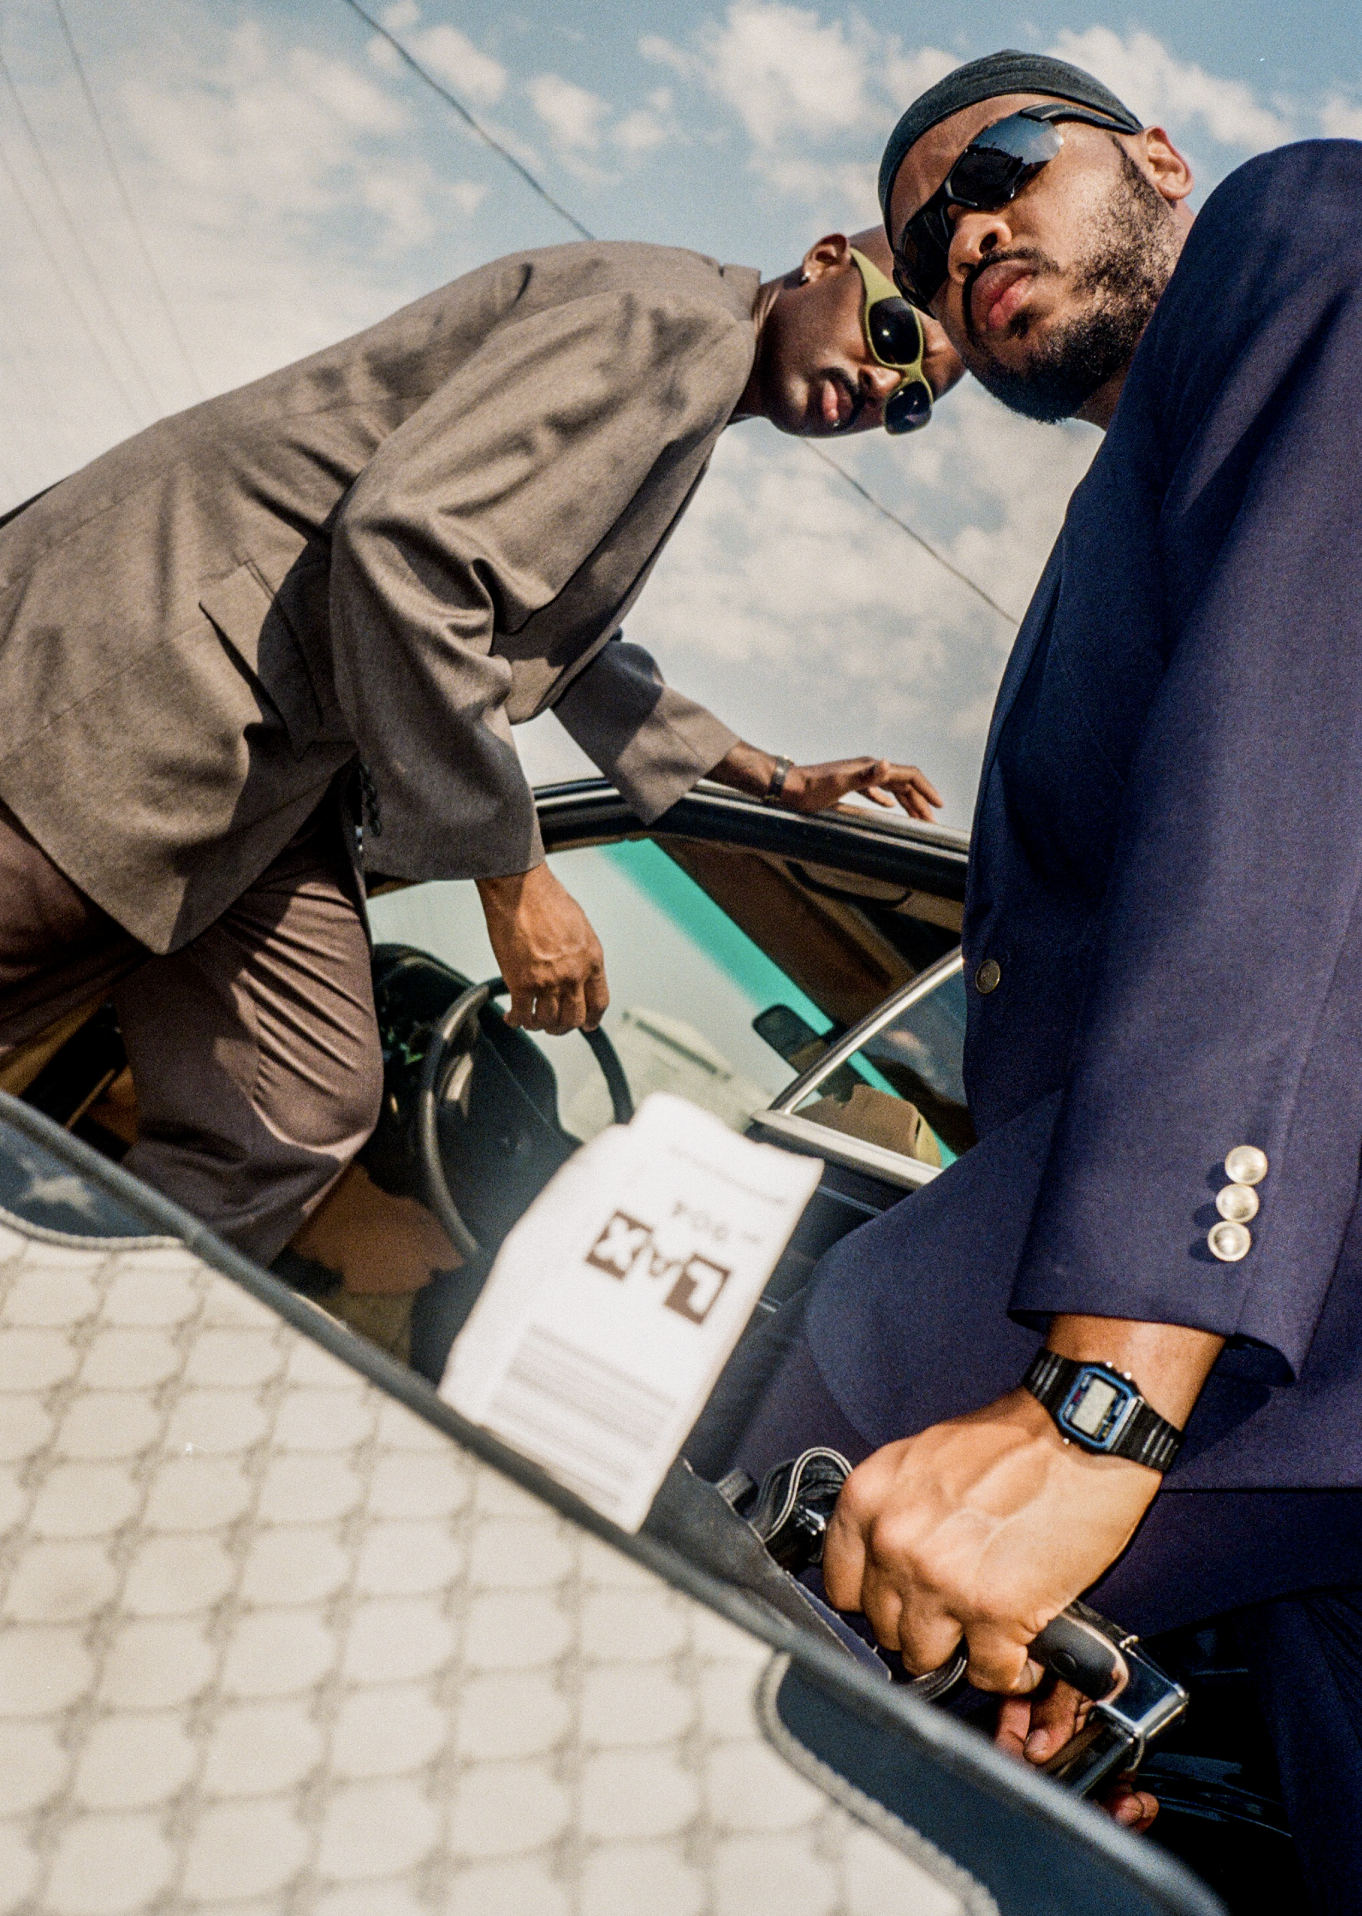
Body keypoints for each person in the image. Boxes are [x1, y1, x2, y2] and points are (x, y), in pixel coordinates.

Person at [694, 51, 1362, 1906]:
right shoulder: (1118, 526)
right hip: (1296, 1411)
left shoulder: (1301, 237)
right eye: (921, 245)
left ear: (1155, 154)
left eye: (996, 169)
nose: (963, 236)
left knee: (733, 1594)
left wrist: (1104, 1395)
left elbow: (1295, 774)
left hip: (1225, 1287)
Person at [0, 227, 959, 1263]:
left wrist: (769, 774)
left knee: (292, 1103)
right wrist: (514, 880)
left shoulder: (691, 358)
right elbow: (410, 548)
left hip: (275, 760)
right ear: (825, 261)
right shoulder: (679, 326)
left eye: (913, 402)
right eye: (893, 335)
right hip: (160, 676)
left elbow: (549, 636)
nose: (882, 386)